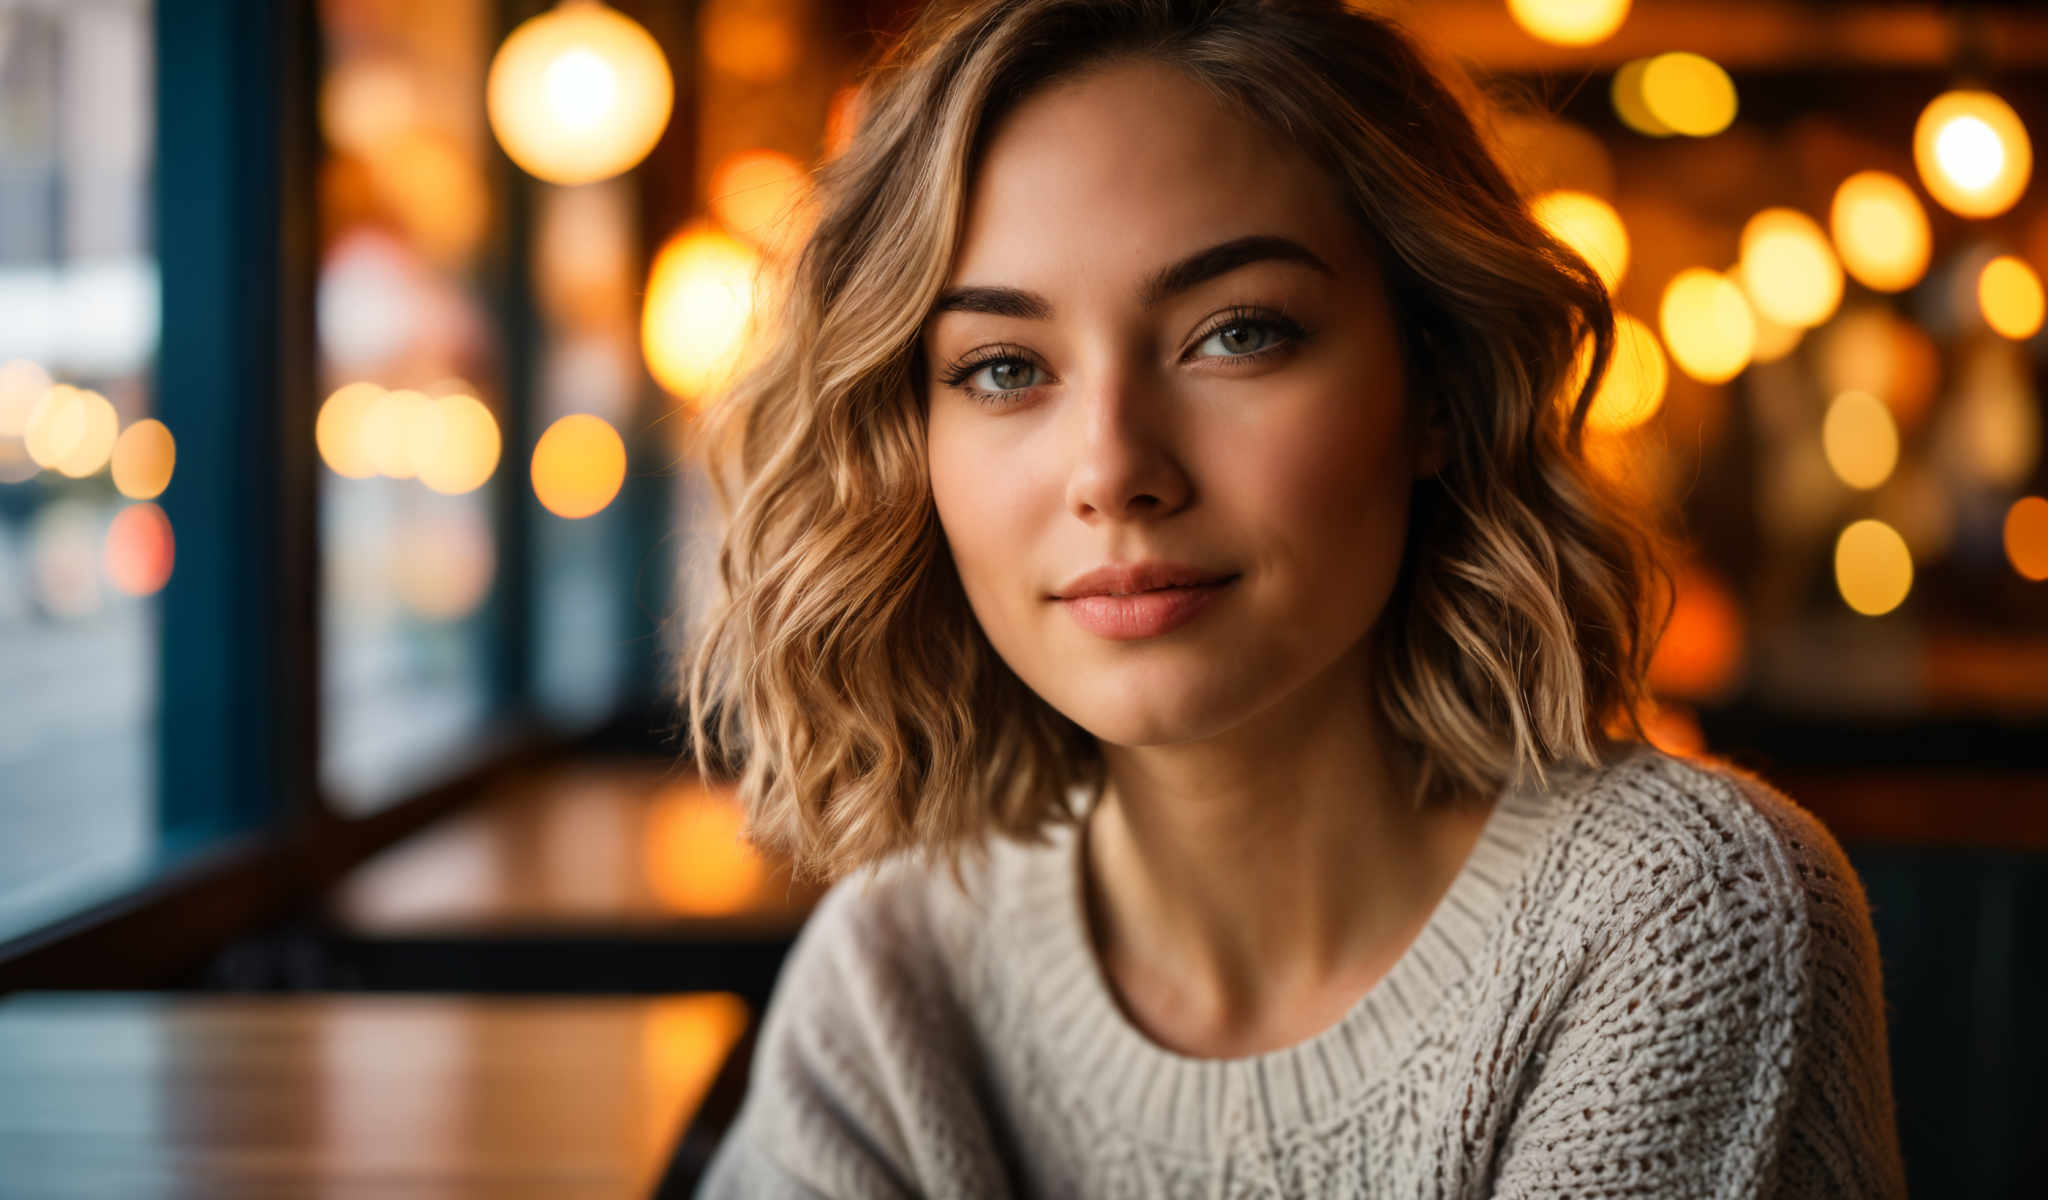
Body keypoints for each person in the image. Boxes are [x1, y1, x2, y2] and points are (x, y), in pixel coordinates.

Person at [682, 1, 1906, 1194]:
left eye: (1236, 334)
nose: (1112, 470)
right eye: (1003, 367)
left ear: (1436, 383)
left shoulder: (1672, 920)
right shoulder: (904, 966)